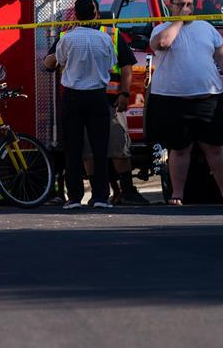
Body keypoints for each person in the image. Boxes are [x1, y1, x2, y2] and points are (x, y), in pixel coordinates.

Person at [147, 0, 223, 205]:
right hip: (173, 101)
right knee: (180, 149)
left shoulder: (206, 27)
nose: (186, 8)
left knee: (215, 148)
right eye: (181, 4)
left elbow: (222, 57)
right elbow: (162, 43)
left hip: (208, 98)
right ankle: (177, 194)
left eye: (189, 4)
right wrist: (179, 21)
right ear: (170, 5)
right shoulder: (161, 29)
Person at [44, 14, 150, 207]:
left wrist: (125, 94)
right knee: (89, 152)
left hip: (111, 101)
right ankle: (98, 194)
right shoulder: (67, 36)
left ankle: (126, 191)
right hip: (88, 100)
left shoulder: (111, 34)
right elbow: (51, 63)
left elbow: (126, 67)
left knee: (118, 148)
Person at [52, 0, 116, 209]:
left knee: (73, 148)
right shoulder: (106, 38)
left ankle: (74, 197)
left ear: (76, 15)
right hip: (98, 95)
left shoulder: (67, 38)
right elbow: (111, 64)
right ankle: (101, 197)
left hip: (73, 96)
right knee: (100, 148)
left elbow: (60, 61)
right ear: (95, 14)